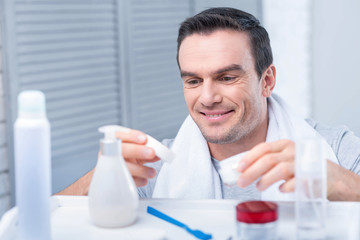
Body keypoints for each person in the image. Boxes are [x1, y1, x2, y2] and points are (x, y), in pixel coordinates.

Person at [59, 7, 360, 201]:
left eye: (227, 77)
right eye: (192, 81)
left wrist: (343, 186)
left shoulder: (334, 150)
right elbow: (36, 226)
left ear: (266, 81)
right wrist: (94, 182)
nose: (207, 97)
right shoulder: (154, 170)